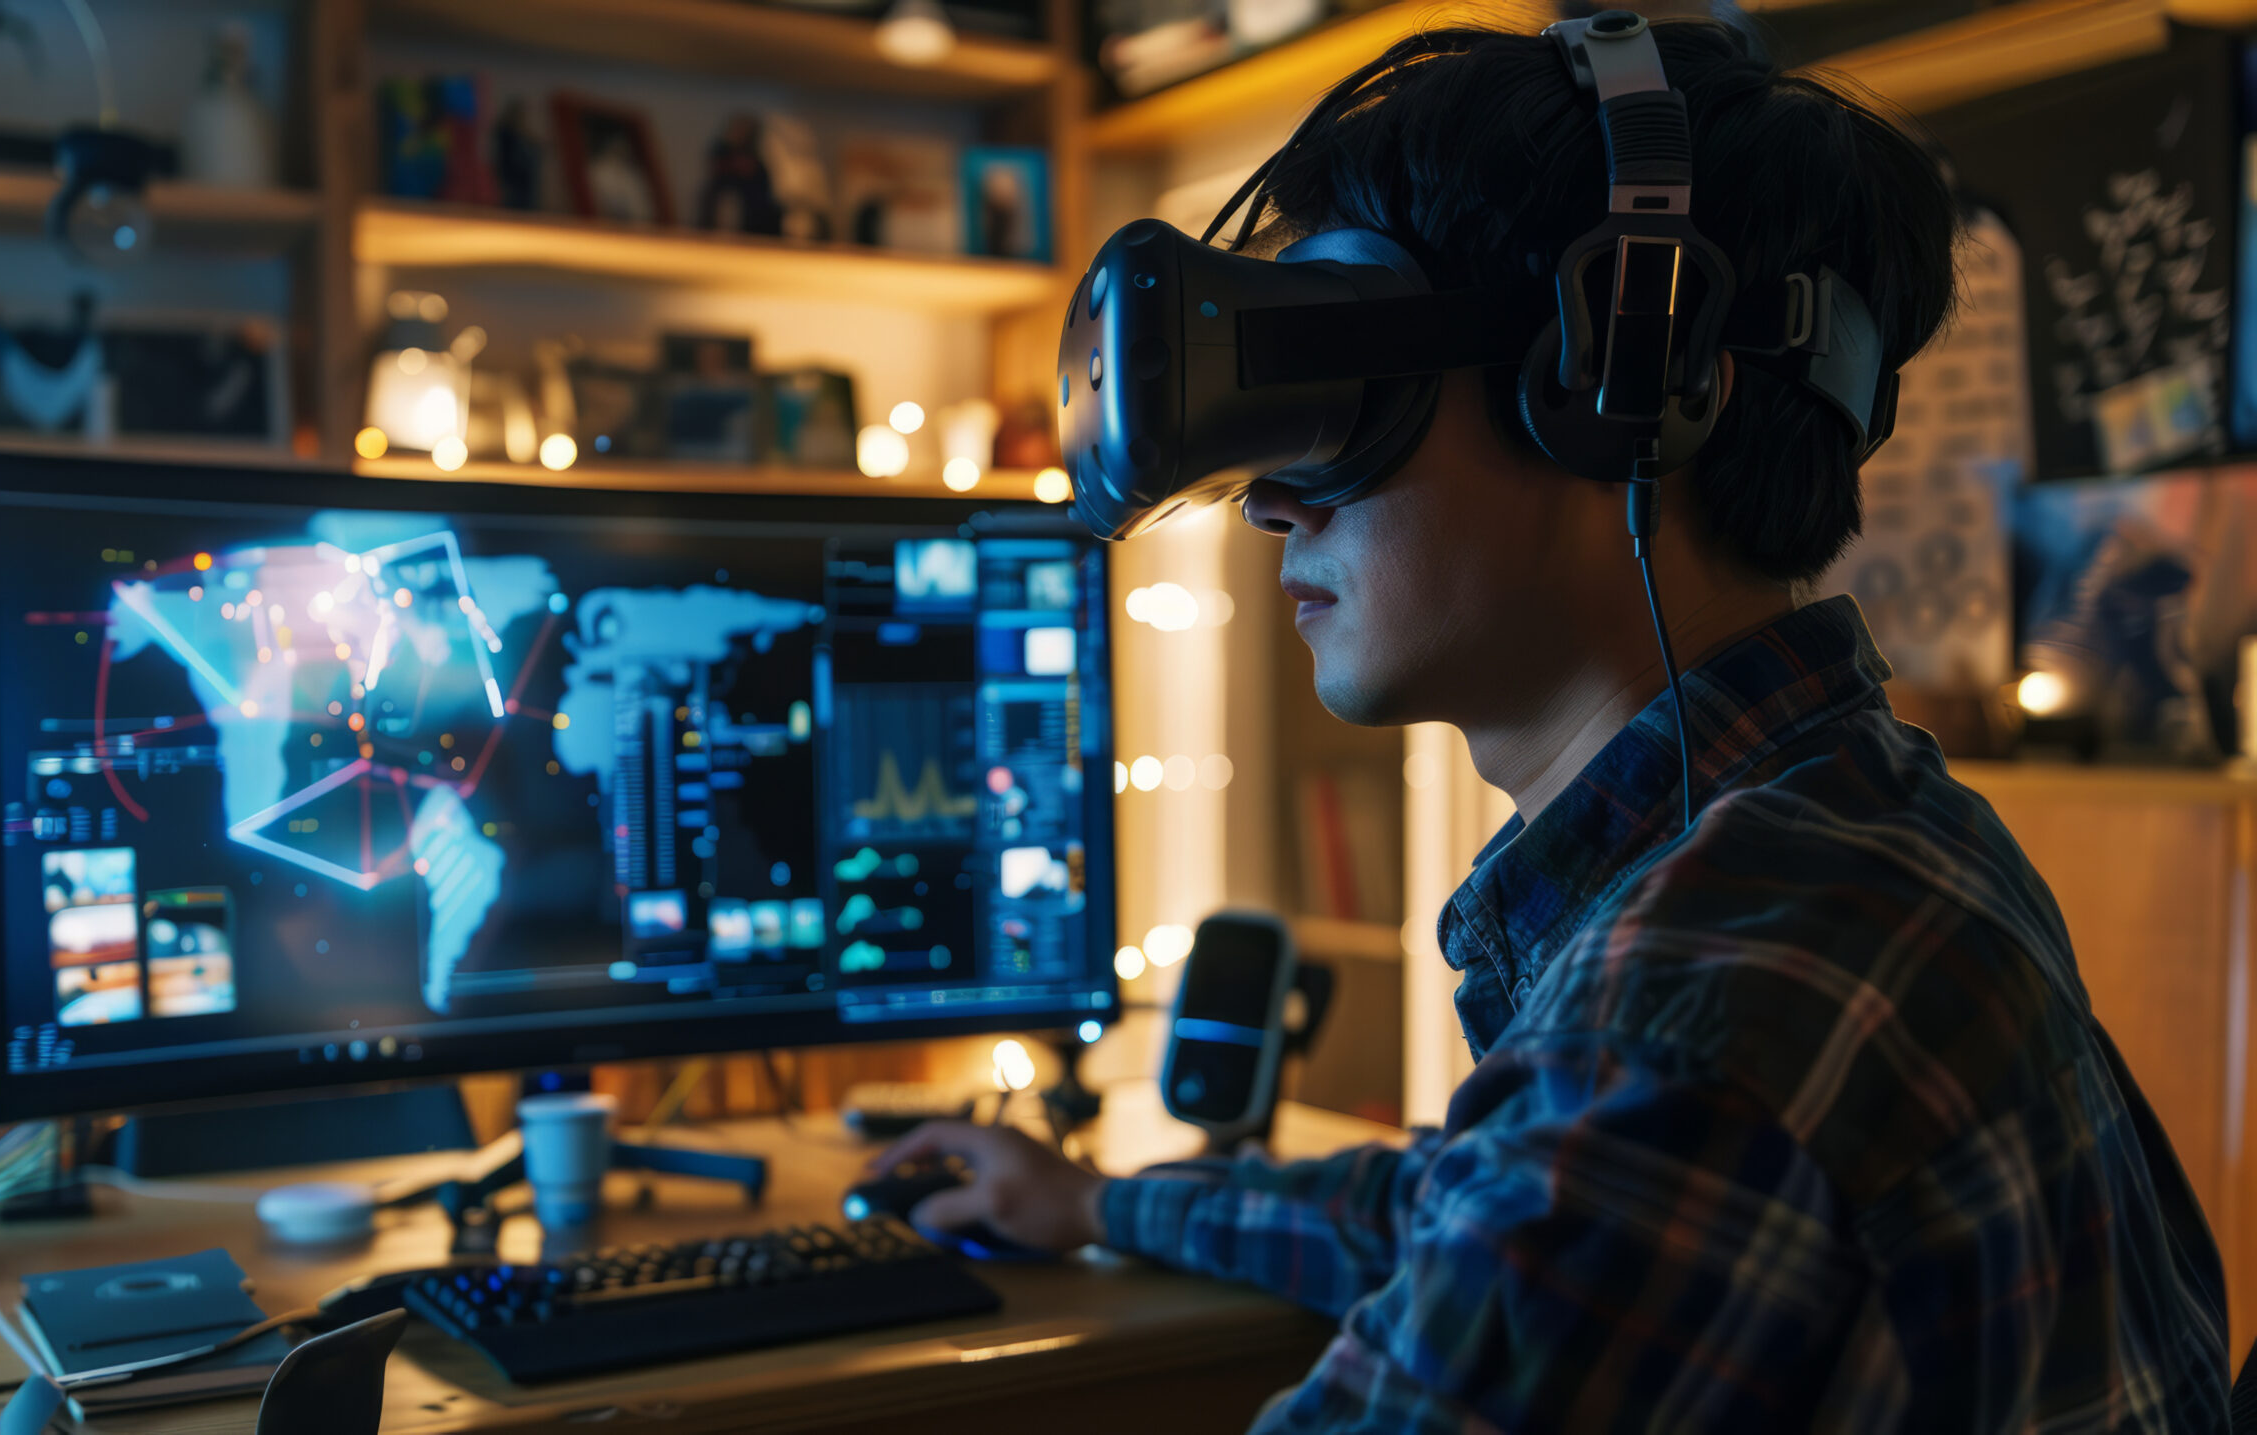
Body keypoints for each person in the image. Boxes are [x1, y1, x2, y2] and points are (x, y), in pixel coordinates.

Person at [874, 18, 2230, 1431]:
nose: (1270, 499)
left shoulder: (1706, 1015)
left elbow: (1588, 1156)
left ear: (1621, 392)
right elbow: (1475, 1201)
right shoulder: (1865, 826)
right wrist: (1104, 1200)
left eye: (1343, 397)